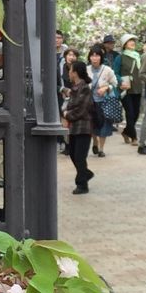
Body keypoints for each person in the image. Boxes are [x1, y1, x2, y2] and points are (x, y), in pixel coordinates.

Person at [62, 60, 95, 194]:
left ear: (75, 73)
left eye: (70, 70)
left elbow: (81, 109)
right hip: (74, 127)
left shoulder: (85, 88)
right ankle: (85, 174)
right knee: (74, 155)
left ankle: (82, 184)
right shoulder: (74, 88)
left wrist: (66, 114)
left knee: (80, 156)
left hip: (83, 127)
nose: (69, 73)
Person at [87, 44, 118, 157]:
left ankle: (101, 148)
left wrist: (106, 88)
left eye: (97, 56)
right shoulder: (86, 70)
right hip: (90, 102)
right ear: (89, 57)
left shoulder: (107, 70)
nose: (95, 58)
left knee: (104, 125)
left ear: (101, 57)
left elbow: (115, 83)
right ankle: (95, 141)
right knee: (93, 124)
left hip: (104, 102)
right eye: (92, 56)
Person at [114, 34, 142, 145]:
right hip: (125, 88)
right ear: (124, 44)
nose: (132, 43)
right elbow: (115, 72)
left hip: (137, 87)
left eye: (133, 41)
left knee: (136, 113)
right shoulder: (120, 57)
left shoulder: (138, 56)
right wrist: (121, 81)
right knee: (130, 113)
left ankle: (126, 132)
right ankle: (134, 137)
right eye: (130, 41)